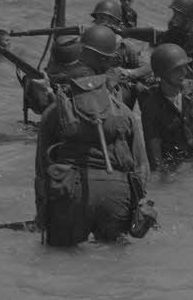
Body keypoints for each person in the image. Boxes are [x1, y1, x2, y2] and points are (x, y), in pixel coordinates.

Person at [33, 35, 155, 245]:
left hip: (70, 194)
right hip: (117, 193)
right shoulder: (123, 111)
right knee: (113, 255)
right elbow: (141, 166)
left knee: (60, 257)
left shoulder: (56, 111)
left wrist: (42, 214)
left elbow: (42, 170)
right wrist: (138, 205)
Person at [138, 43, 193, 170]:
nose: (184, 72)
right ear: (161, 74)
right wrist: (160, 175)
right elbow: (154, 152)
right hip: (174, 164)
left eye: (185, 67)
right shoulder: (151, 107)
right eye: (177, 69)